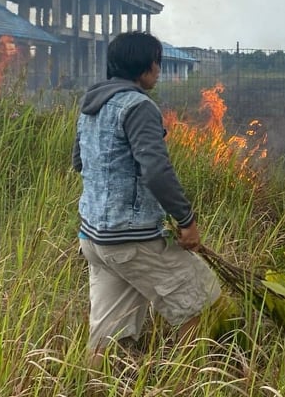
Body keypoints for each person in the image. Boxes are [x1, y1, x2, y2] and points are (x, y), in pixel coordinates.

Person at [72, 31, 221, 360]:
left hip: (94, 238)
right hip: (130, 238)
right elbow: (155, 170)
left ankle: (93, 386)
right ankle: (186, 383)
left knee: (108, 332)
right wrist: (186, 220)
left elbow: (79, 162)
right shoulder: (139, 106)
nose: (159, 69)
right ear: (143, 68)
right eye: (157, 62)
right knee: (201, 298)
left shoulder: (92, 105)